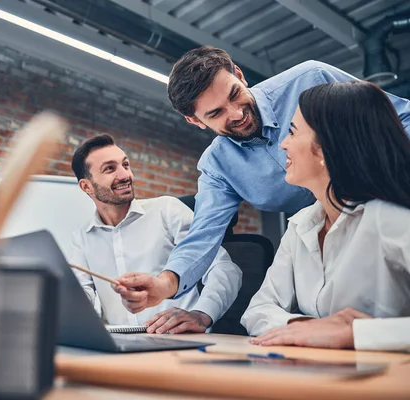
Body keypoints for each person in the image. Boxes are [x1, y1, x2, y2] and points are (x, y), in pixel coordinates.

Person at [113, 46, 410, 314]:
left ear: (239, 75)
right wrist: (166, 284)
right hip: (319, 232)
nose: (237, 113)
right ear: (196, 121)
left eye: (234, 94)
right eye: (216, 113)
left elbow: (397, 119)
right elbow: (203, 235)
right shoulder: (219, 167)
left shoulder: (310, 79)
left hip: (377, 209)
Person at [240, 81, 410, 351]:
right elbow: (258, 309)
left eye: (293, 132)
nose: (283, 144)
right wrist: (307, 327)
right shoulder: (300, 226)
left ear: (325, 146)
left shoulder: (391, 219)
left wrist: (356, 334)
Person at [69, 134, 242, 334]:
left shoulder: (166, 210)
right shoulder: (82, 237)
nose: (125, 175)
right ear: (86, 186)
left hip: (178, 340)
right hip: (120, 346)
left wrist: (202, 314)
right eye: (110, 168)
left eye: (125, 165)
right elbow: (81, 296)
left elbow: (224, 268)